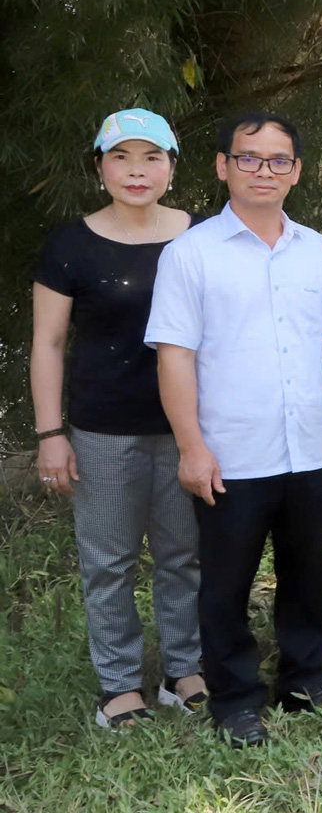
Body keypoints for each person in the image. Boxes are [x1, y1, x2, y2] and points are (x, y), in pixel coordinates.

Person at [145, 110, 322, 748]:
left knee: (308, 572)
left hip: (310, 445)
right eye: (248, 158)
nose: (263, 171)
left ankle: (303, 682)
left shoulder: (317, 250)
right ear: (222, 166)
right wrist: (191, 446)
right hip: (231, 453)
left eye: (278, 160)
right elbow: (175, 356)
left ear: (296, 172)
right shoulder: (191, 254)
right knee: (225, 585)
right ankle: (235, 700)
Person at [32, 110, 206, 729]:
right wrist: (51, 434)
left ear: (172, 165)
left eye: (152, 157)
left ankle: (185, 671)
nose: (137, 171)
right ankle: (118, 686)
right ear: (100, 164)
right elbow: (48, 344)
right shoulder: (71, 245)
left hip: (188, 426)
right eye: (122, 157)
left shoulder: (202, 234)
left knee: (184, 555)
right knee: (109, 562)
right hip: (103, 429)